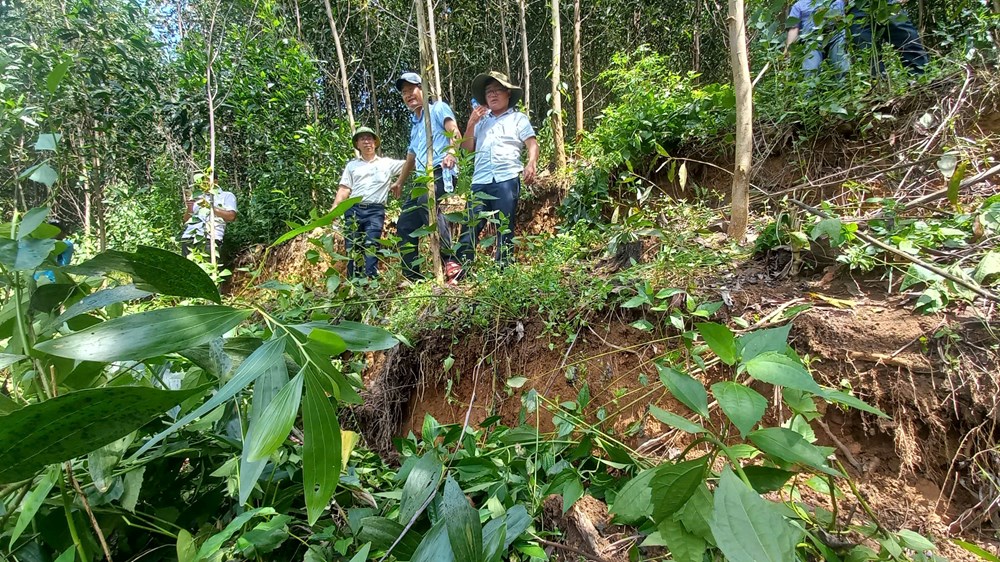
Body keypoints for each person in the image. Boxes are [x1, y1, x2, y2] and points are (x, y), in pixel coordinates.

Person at [457, 71, 538, 269]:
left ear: (508, 93)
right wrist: (471, 123)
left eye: (497, 90)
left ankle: (503, 269)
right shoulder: (480, 122)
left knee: (504, 225)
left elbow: (532, 144)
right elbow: (466, 150)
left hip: (506, 178)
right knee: (470, 224)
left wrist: (531, 163)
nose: (493, 95)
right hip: (480, 180)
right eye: (488, 92)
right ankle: (460, 268)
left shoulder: (518, 118)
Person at [390, 72, 463, 282]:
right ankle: (412, 277)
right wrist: (400, 182)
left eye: (411, 89)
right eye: (404, 93)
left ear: (423, 89)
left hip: (442, 172)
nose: (407, 95)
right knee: (404, 223)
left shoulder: (438, 109)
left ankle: (450, 260)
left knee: (427, 201)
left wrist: (451, 153)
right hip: (422, 180)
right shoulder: (415, 125)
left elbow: (454, 132)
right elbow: (411, 157)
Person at [333, 126, 405, 278]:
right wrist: (334, 210)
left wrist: (399, 181)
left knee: (371, 244)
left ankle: (370, 281)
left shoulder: (386, 163)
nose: (367, 142)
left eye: (369, 138)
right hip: (353, 210)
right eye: (362, 139)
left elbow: (411, 163)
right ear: (357, 144)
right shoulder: (352, 166)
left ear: (375, 142)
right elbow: (344, 189)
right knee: (352, 247)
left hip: (375, 211)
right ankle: (353, 283)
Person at [849, 0, 929, 74]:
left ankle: (921, 78)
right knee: (865, 47)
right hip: (855, 5)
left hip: (886, 2)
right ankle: (878, 84)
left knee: (905, 36)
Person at [785, 0, 850, 78]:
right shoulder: (799, 5)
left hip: (835, 35)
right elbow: (793, 29)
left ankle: (843, 86)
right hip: (811, 38)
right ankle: (810, 87)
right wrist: (789, 51)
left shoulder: (837, 1)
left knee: (841, 66)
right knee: (811, 69)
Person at [181, 179, 237, 262]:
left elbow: (231, 216)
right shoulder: (198, 197)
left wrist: (209, 207)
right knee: (188, 271)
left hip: (210, 238)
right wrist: (190, 207)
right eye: (202, 182)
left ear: (216, 181)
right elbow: (186, 220)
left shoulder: (226, 196)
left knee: (207, 270)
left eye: (207, 181)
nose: (204, 184)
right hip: (189, 238)